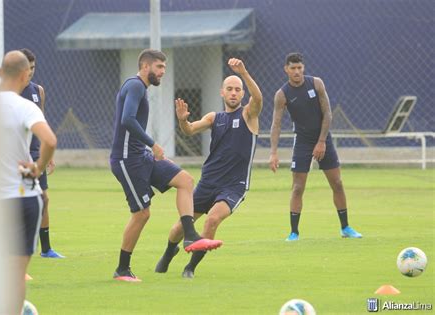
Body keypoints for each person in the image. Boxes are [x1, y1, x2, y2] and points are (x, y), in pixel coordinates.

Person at [110, 49, 222, 282]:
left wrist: (151, 152)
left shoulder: (140, 88)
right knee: (142, 214)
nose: (162, 72)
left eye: (164, 68)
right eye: (159, 67)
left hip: (141, 156)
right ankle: (122, 269)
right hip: (126, 160)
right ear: (145, 66)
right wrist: (153, 144)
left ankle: (190, 235)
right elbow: (127, 119)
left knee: (185, 181)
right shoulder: (135, 86)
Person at [0, 50, 57, 313]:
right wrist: (38, 166)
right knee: (16, 273)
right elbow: (50, 140)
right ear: (24, 75)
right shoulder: (26, 106)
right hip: (24, 198)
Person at [155, 58, 263, 279]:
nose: (234, 93)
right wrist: (183, 120)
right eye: (229, 89)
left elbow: (259, 99)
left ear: (242, 94)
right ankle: (168, 252)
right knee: (179, 229)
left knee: (212, 219)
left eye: (238, 90)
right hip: (208, 183)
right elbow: (190, 130)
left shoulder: (249, 116)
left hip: (234, 186)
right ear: (222, 93)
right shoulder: (215, 118)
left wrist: (243, 73)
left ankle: (190, 267)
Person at [268, 52, 362, 241]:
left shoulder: (316, 83)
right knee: (297, 187)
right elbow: (276, 124)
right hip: (302, 141)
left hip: (323, 139)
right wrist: (273, 153)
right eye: (293, 68)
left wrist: (321, 141)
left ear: (303, 68)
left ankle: (345, 228)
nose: (297, 72)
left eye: (299, 68)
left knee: (337, 183)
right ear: (286, 69)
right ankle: (294, 232)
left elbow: (328, 114)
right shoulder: (282, 94)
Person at [20, 48, 64, 259]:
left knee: (43, 198)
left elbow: (42, 121)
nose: (30, 71)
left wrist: (49, 154)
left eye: (33, 67)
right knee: (19, 200)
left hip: (37, 154)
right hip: (19, 154)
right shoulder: (10, 94)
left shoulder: (38, 90)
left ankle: (45, 249)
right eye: (26, 68)